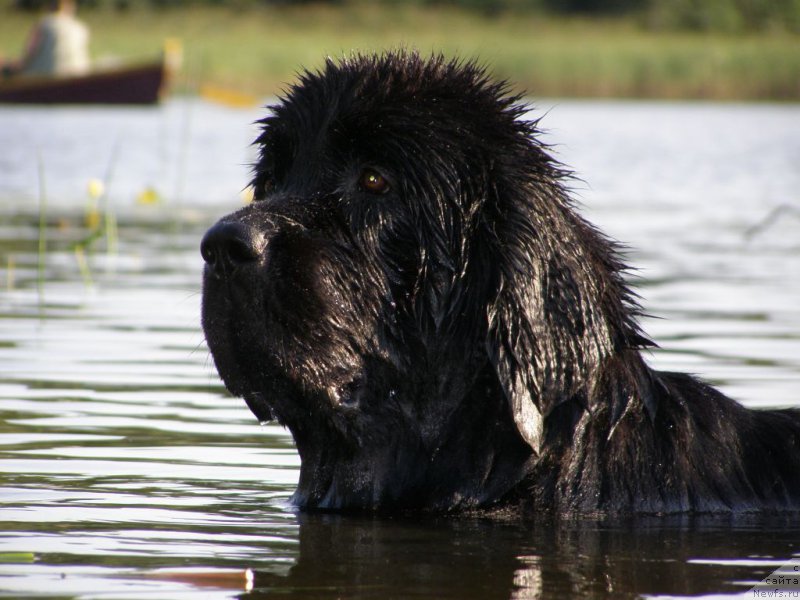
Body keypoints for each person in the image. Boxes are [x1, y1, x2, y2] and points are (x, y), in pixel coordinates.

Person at [1, 0, 90, 79]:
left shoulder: (44, 25)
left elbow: (29, 55)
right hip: (79, 73)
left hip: (43, 76)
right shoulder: (81, 27)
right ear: (71, 8)